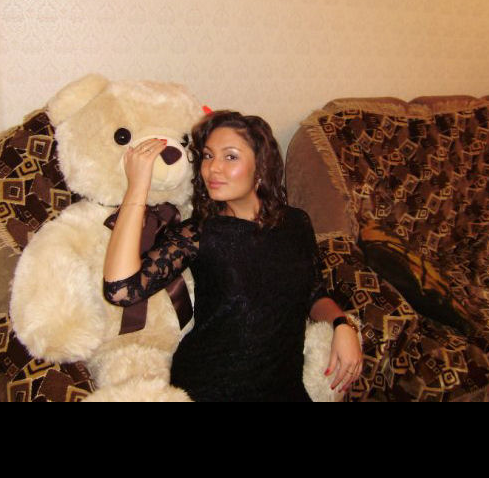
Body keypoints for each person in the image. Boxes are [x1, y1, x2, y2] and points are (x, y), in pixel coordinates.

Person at [103, 110, 362, 402]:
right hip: (210, 388)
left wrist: (342, 324)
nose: (213, 168)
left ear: (261, 166)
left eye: (230, 157)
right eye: (208, 156)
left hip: (284, 389)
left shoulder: (297, 222)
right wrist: (137, 186)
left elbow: (314, 294)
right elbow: (121, 289)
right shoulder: (200, 234)